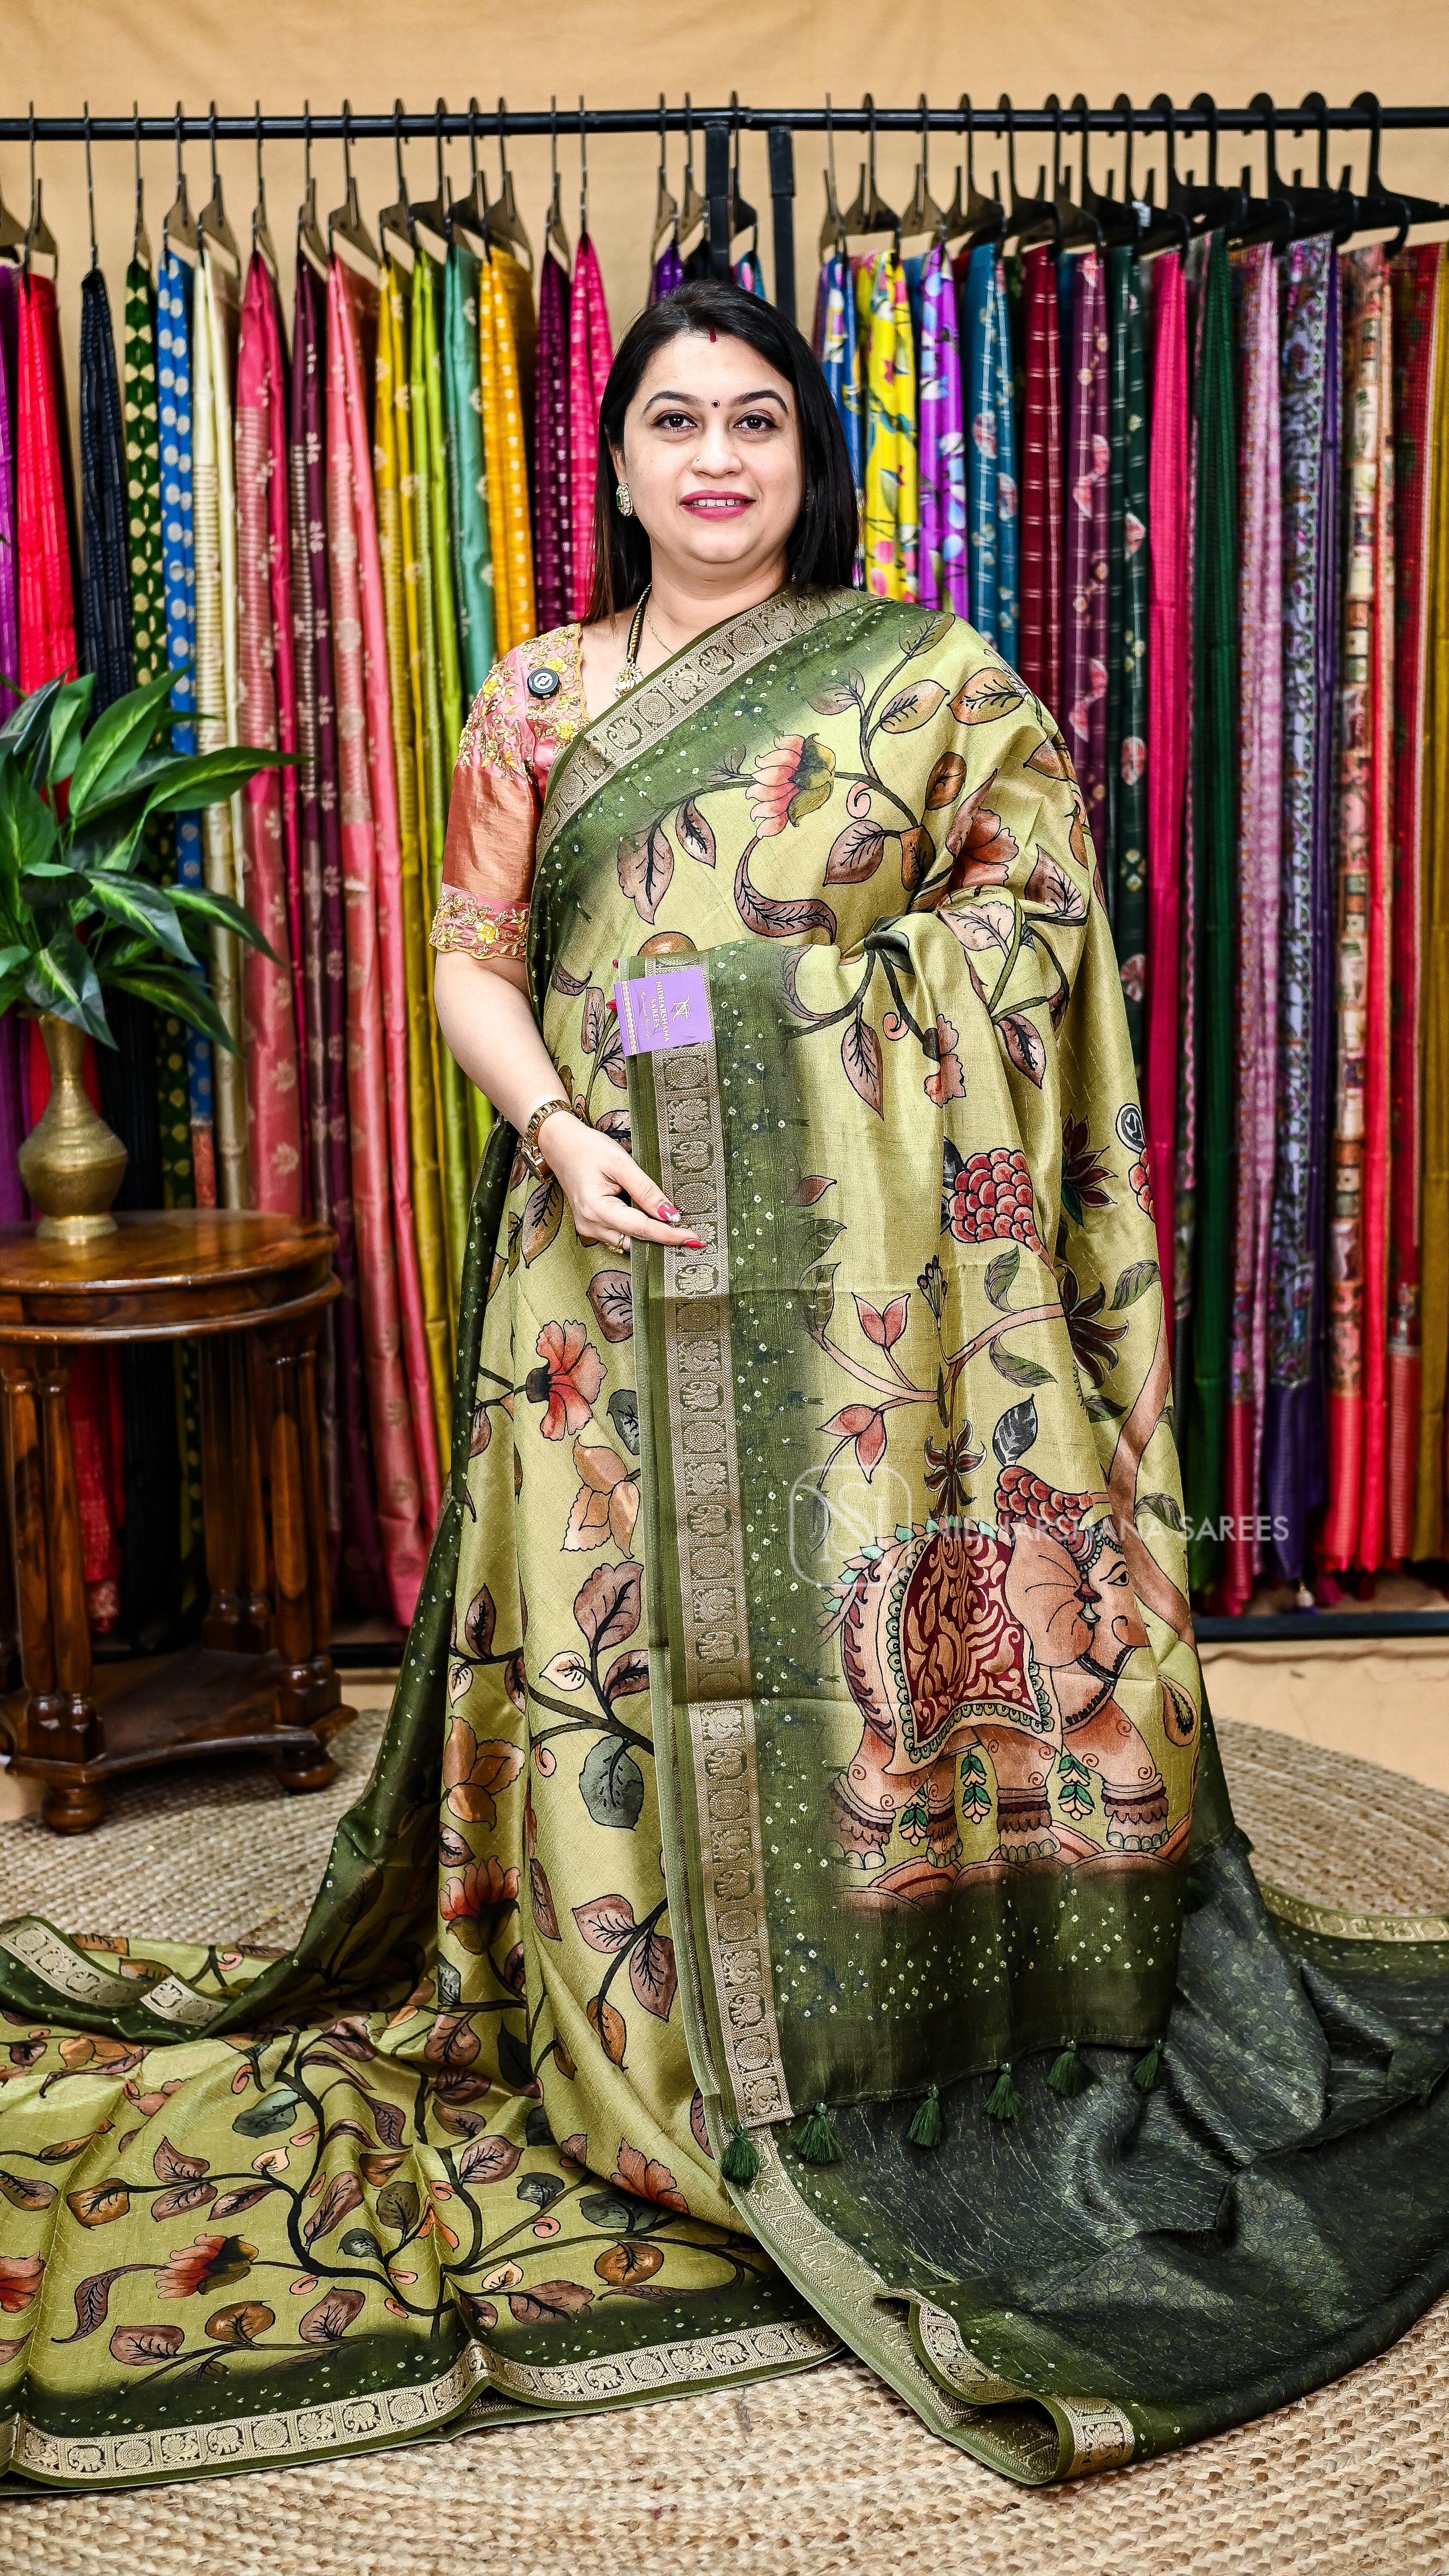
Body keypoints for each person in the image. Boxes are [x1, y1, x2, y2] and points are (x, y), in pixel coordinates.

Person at [4, 281, 1449, 2496]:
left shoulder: (928, 680)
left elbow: (1037, 935)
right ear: (614, 458)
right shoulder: (541, 692)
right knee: (624, 1631)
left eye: (755, 421)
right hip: (607, 1243)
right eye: (674, 420)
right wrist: (565, 1123)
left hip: (879, 1288)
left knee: (846, 1622)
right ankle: (641, 2016)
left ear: (805, 456)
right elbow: (474, 956)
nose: (714, 460)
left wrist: (749, 1026)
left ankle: (872, 2010)